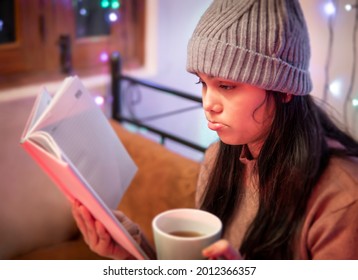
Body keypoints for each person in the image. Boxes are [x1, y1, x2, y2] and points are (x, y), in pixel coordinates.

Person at [71, 0, 358, 260]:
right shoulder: (217, 160)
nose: (208, 104)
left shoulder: (342, 200)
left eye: (227, 86)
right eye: (202, 84)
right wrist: (132, 254)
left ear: (285, 91)